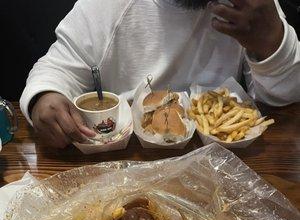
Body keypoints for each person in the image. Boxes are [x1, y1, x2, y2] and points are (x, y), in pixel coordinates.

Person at [20, 0, 300, 148]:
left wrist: (272, 42)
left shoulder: (252, 7)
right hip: (122, 157)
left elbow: (284, 97)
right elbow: (55, 69)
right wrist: (44, 96)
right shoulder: (105, 6)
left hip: (224, 161)